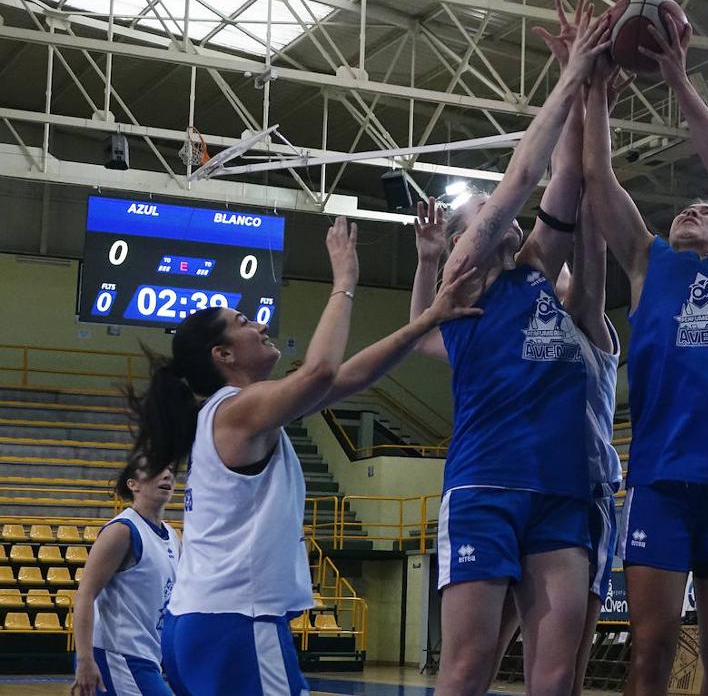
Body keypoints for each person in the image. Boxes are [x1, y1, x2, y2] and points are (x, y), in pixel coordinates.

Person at [127, 215, 480, 696]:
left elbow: (347, 378)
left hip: (208, 621)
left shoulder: (236, 413)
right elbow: (319, 371)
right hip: (236, 621)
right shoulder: (237, 410)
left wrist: (425, 321)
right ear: (222, 355)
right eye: (244, 322)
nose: (260, 324)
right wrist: (344, 281)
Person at [408, 0, 612, 696]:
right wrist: (575, 68)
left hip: (560, 490)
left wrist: (583, 87)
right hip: (486, 485)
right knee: (467, 667)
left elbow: (565, 179)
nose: (507, 215)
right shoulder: (465, 284)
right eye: (485, 214)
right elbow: (525, 173)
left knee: (554, 678)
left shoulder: (532, 277)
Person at [582, 11, 708, 696]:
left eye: (706, 211)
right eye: (683, 208)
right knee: (650, 648)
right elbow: (598, 179)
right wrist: (595, 96)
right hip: (661, 483)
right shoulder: (645, 263)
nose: (694, 210)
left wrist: (679, 82)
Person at [72, 456, 180, 696]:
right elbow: (85, 595)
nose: (167, 475)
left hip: (148, 656)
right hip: (117, 656)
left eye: (170, 470)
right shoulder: (121, 531)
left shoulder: (172, 535)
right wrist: (85, 660)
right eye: (156, 469)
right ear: (133, 484)